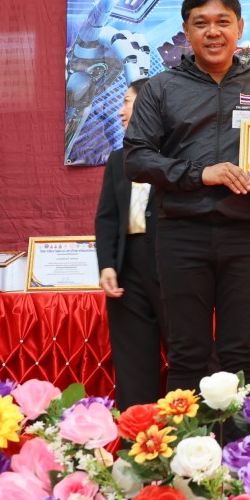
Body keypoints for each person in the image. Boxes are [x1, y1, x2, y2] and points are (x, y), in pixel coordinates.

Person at [124, 0, 250, 395]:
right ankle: (187, 440)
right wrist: (202, 173)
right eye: (201, 23)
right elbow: (136, 159)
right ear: (186, 32)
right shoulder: (161, 88)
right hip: (180, 234)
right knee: (187, 354)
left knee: (241, 352)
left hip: (248, 235)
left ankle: (244, 439)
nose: (213, 32)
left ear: (239, 27)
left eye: (223, 22)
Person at [95, 78, 166, 410]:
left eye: (126, 101)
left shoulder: (177, 155)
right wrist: (107, 265)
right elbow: (107, 217)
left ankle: (195, 433)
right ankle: (135, 430)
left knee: (188, 354)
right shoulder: (117, 159)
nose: (120, 110)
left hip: (171, 261)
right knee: (133, 360)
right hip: (128, 267)